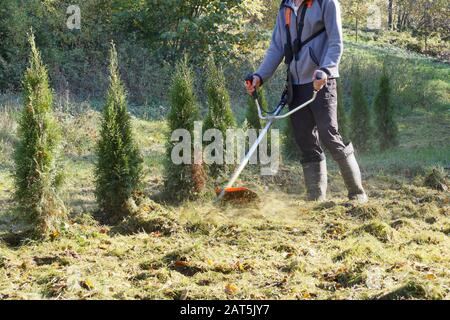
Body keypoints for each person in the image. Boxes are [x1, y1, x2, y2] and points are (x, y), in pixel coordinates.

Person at [246, 0, 368, 203]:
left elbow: (335, 41)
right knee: (305, 139)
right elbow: (276, 48)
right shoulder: (285, 7)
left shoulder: (326, 3)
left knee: (329, 134)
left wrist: (327, 69)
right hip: (296, 84)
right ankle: (315, 197)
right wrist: (260, 76)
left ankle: (357, 193)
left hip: (321, 80)